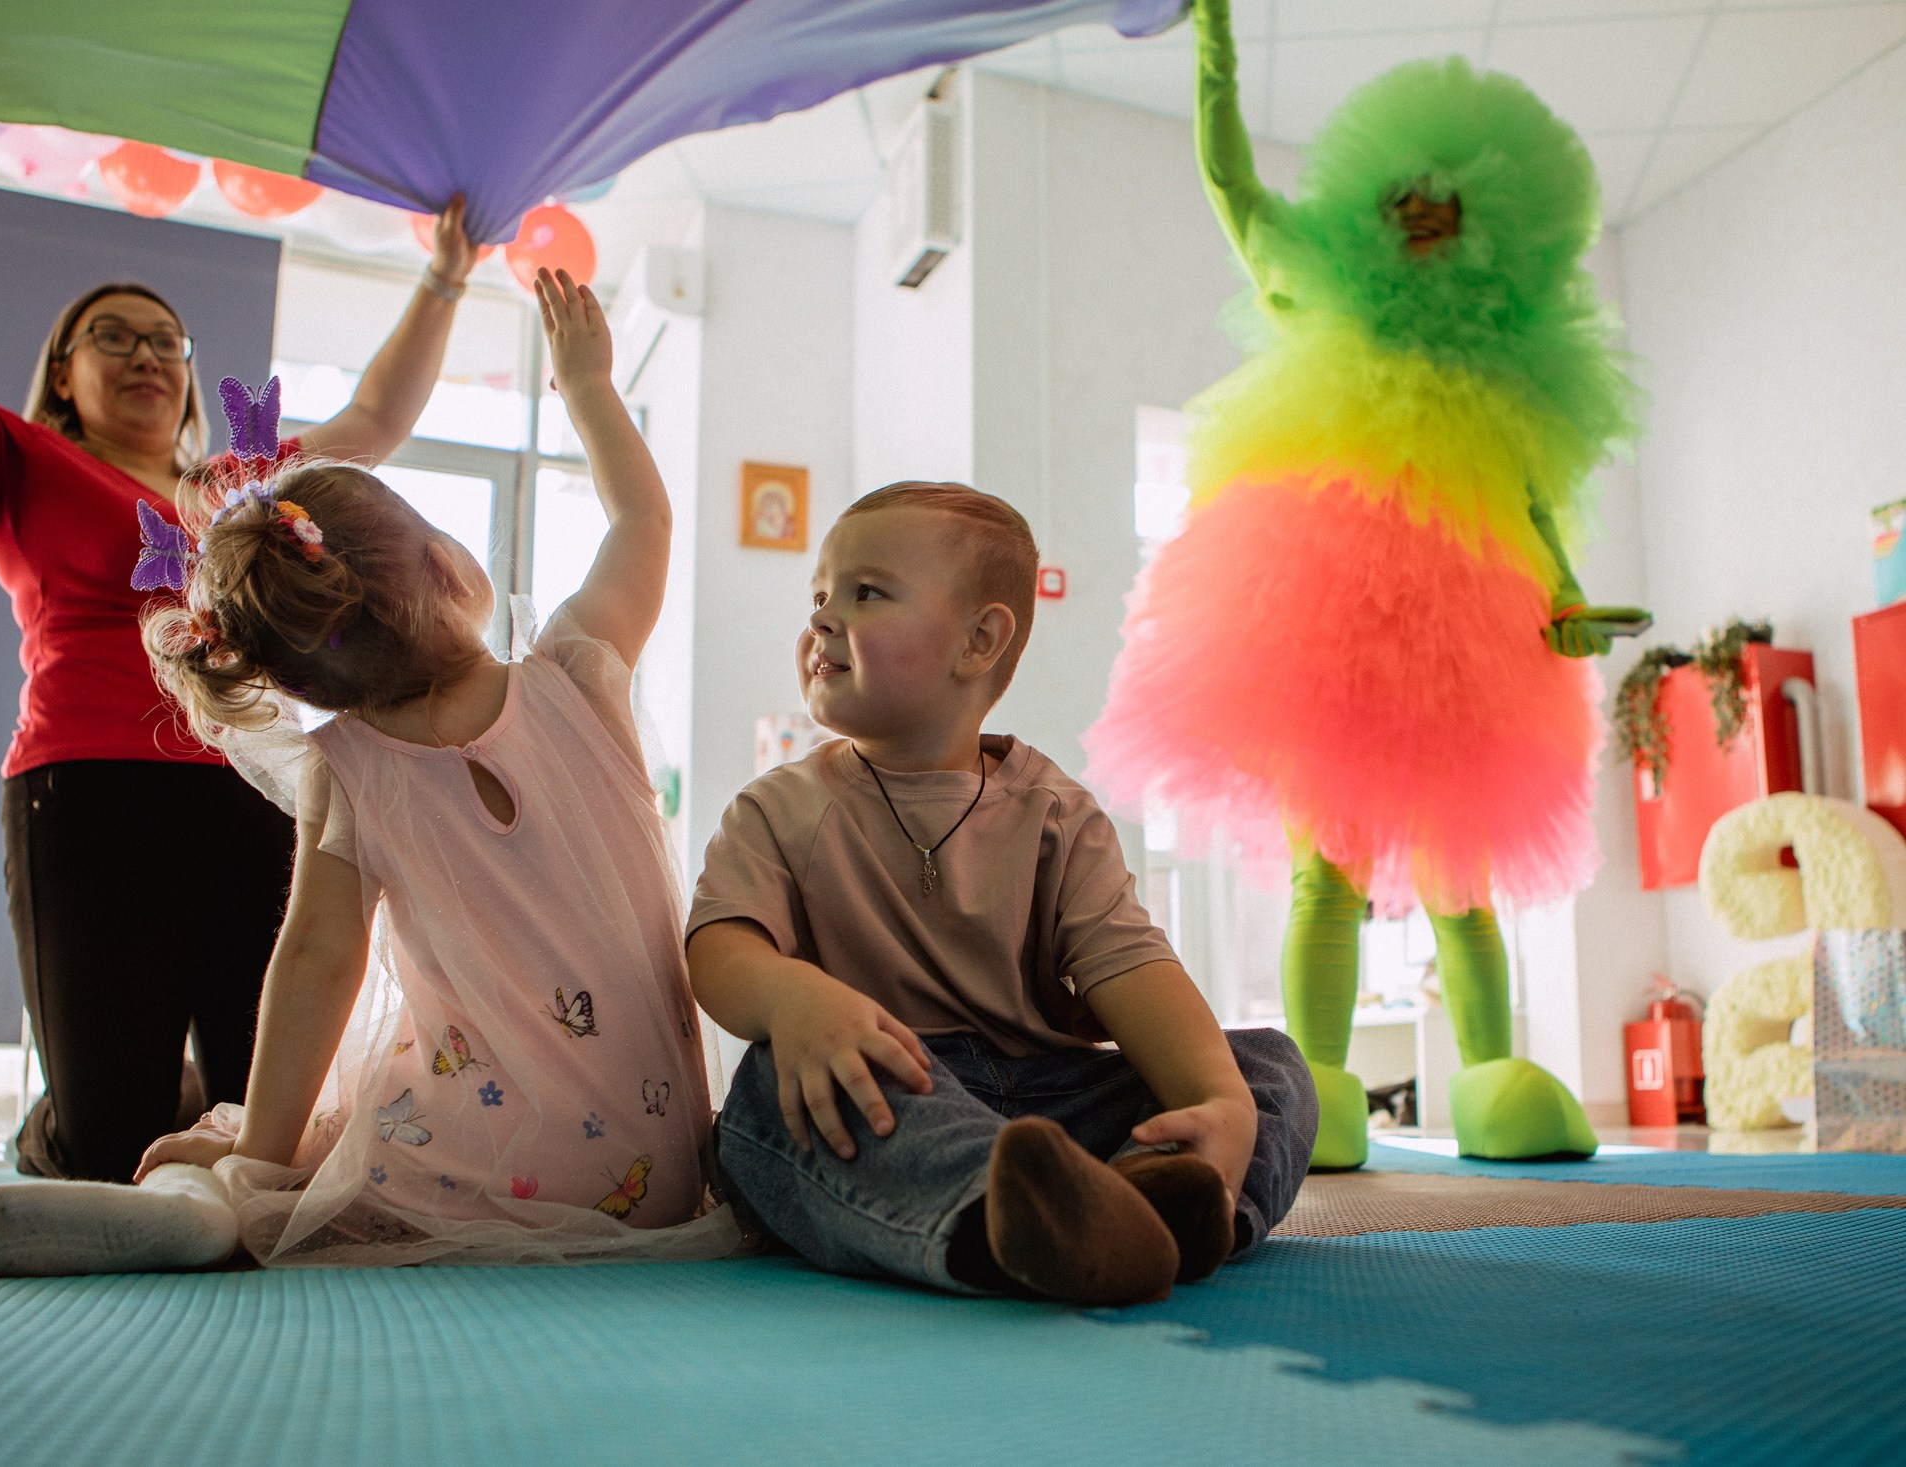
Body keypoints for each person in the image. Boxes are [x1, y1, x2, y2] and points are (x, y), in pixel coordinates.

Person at [0, 5, 481, 1182]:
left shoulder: (245, 493)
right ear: (66, 368)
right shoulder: (19, 466)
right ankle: (58, 1119)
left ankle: (192, 1097)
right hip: (91, 792)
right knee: (109, 1144)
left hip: (258, 789)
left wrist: (448, 278)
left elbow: (379, 421)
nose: (149, 355)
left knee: (274, 1120)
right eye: (116, 337)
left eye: (168, 341)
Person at [0, 270, 735, 1274]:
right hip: (654, 1173)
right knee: (355, 1101)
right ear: (449, 568)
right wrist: (585, 385)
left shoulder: (346, 769)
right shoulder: (579, 674)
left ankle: (207, 1204)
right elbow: (643, 524)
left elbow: (316, 963)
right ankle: (229, 1178)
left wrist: (263, 1159)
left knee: (295, 1142)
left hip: (471, 1170)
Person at [1082, 0, 1645, 1168]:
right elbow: (1236, 191)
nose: (1429, 222)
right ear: (1374, 208)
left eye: (1454, 213)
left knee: (1460, 873)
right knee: (1323, 873)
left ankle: (1492, 1081)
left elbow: (1530, 507)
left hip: (1469, 638)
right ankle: (1320, 1088)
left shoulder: (1509, 369)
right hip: (1323, 625)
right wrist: (1214, 47)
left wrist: (1566, 599)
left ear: (1497, 232)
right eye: (1409, 204)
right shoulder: (1318, 287)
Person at [687, 483, 1316, 1308]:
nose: (822, 619)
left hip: (1051, 1095)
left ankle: (1163, 1196)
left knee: (1265, 1066)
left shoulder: (1056, 813)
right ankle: (1011, 1220)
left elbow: (1133, 969)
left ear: (980, 639)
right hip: (894, 1089)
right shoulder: (779, 808)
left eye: (865, 592)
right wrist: (790, 996)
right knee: (774, 1094)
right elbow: (717, 946)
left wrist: (1219, 1103)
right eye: (819, 596)